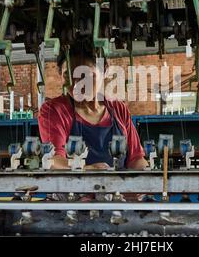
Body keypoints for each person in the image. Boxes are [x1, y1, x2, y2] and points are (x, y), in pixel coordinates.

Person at [38, 36, 148, 170]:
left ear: (105, 70)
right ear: (60, 74)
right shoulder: (54, 110)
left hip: (118, 189)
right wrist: (89, 171)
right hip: (73, 190)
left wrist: (149, 176)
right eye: (68, 75)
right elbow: (54, 161)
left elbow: (136, 159)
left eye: (86, 76)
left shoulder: (118, 109)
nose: (77, 84)